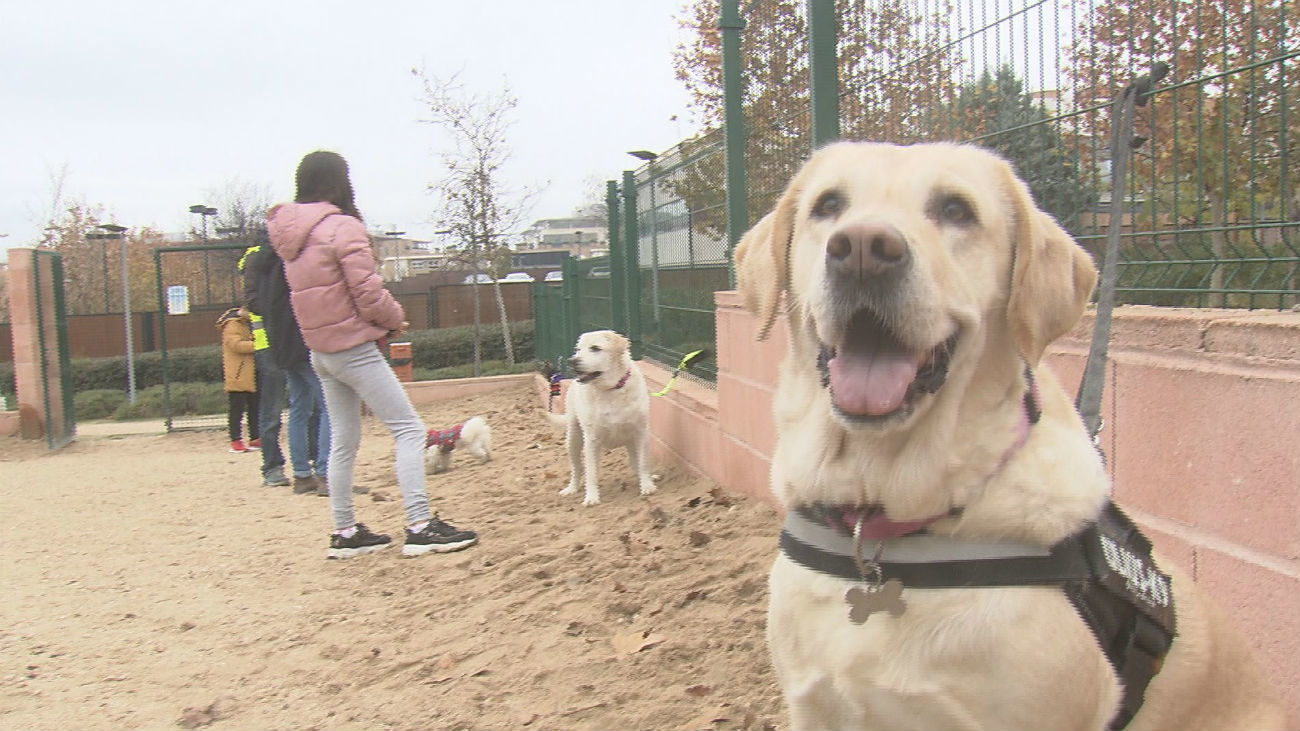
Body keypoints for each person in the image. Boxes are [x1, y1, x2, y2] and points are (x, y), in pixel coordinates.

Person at [266, 149, 478, 559]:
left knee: (343, 441)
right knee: (409, 431)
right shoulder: (341, 227)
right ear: (339, 182)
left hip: (321, 353)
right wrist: (394, 319)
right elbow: (366, 291)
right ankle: (420, 525)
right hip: (354, 348)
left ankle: (344, 532)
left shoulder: (290, 238)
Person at [242, 236, 336, 497]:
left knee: (299, 406)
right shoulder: (289, 260)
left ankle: (302, 475)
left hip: (277, 342)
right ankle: (326, 474)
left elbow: (256, 302)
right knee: (328, 404)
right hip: (297, 339)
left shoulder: (260, 260)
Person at [239, 245, 290, 487]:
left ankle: (313, 466)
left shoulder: (292, 250)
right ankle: (272, 466)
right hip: (269, 342)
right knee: (271, 410)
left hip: (290, 339)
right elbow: (253, 301)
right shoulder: (257, 256)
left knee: (308, 405)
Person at [217, 307, 260, 453]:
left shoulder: (248, 324)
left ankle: (255, 437)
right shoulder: (232, 324)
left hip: (251, 372)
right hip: (238, 373)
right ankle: (235, 439)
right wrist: (258, 345)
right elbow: (235, 345)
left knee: (254, 406)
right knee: (237, 409)